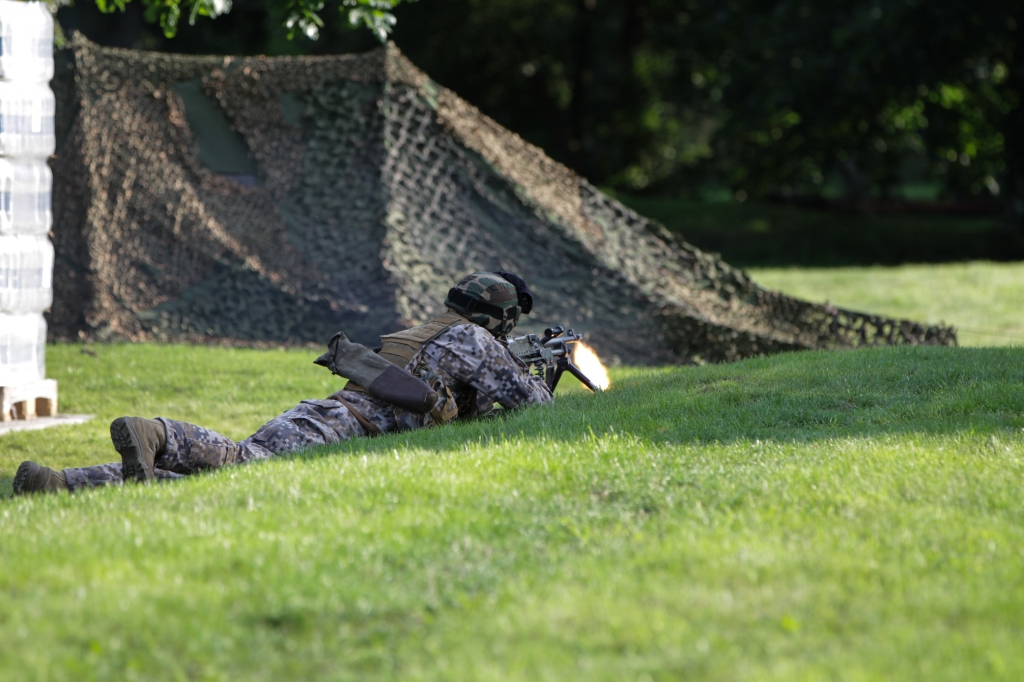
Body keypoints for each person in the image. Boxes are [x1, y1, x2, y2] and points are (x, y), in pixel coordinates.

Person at [13, 272, 553, 495]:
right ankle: (158, 433)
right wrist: (547, 367)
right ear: (500, 320)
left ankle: (62, 483)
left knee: (206, 483)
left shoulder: (428, 332)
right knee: (239, 463)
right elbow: (535, 405)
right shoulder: (476, 342)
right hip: (344, 426)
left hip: (329, 415)